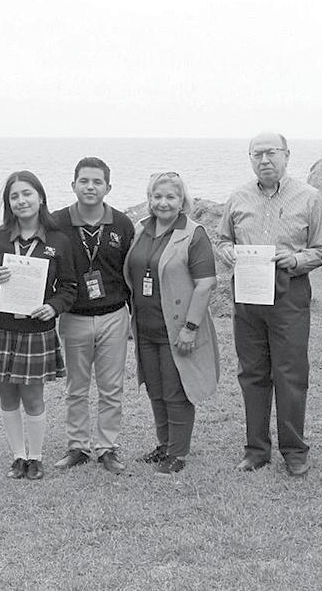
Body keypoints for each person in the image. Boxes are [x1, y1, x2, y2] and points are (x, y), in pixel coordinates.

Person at [217, 132, 322, 477]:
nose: (264, 160)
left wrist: (295, 260)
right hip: (247, 296)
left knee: (290, 374)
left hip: (288, 293)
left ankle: (294, 450)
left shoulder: (309, 197)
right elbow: (223, 240)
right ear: (250, 158)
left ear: (286, 155)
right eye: (257, 154)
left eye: (271, 153)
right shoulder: (238, 197)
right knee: (251, 373)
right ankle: (256, 450)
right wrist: (228, 253)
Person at [0, 171, 77, 481]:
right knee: (7, 397)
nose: (21, 201)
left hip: (35, 329)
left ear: (40, 197)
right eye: (14, 196)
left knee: (33, 398)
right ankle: (18, 456)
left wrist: (53, 307)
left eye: (27, 193)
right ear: (8, 203)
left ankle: (36, 458)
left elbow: (69, 287)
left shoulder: (58, 240)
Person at [124, 172, 218, 475]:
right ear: (149, 199)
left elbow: (205, 283)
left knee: (176, 391)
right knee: (155, 389)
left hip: (177, 329)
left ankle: (177, 453)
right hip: (145, 327)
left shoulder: (194, 234)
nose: (163, 203)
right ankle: (163, 445)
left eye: (170, 197)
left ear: (182, 201)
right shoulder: (141, 229)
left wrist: (190, 328)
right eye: (157, 196)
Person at [50, 158, 134, 474]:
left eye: (97, 182)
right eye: (84, 181)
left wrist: (134, 316)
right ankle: (78, 447)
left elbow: (131, 271)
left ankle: (107, 448)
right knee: (76, 387)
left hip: (114, 315)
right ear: (73, 185)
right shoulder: (56, 223)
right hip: (73, 316)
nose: (90, 187)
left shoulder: (122, 224)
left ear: (108, 187)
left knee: (111, 388)